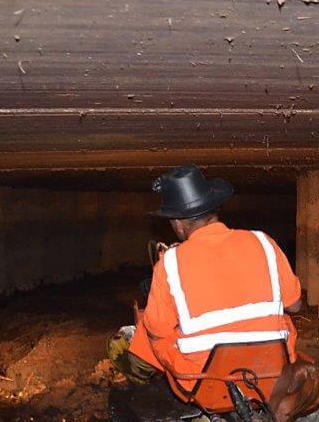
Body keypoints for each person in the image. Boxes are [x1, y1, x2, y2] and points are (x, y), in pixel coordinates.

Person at [109, 165, 304, 401]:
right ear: (214, 209)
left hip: (207, 382)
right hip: (272, 372)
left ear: (178, 224)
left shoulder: (170, 262)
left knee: (153, 333)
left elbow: (157, 328)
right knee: (284, 320)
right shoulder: (264, 242)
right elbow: (295, 306)